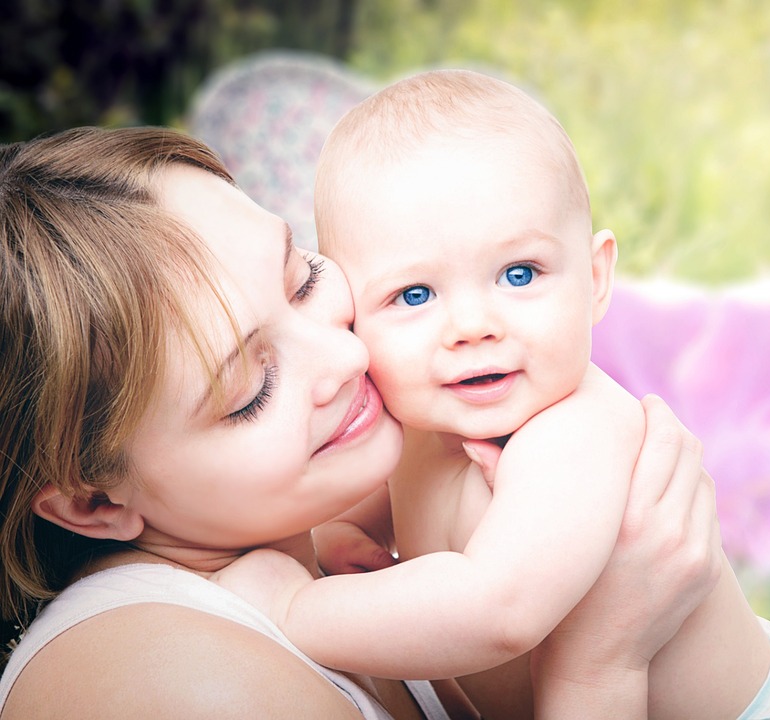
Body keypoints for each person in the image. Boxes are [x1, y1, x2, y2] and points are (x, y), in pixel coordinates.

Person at [0, 125, 725, 719]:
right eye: (251, 389)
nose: (346, 353)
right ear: (94, 501)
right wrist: (599, 665)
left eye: (304, 278)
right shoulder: (168, 685)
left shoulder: (304, 536)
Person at [227, 69, 770, 720]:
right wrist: (342, 531)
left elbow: (498, 610)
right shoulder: (420, 423)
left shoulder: (573, 432)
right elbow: (390, 498)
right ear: (355, 311)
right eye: (415, 294)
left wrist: (291, 606)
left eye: (519, 274)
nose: (473, 326)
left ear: (596, 278)